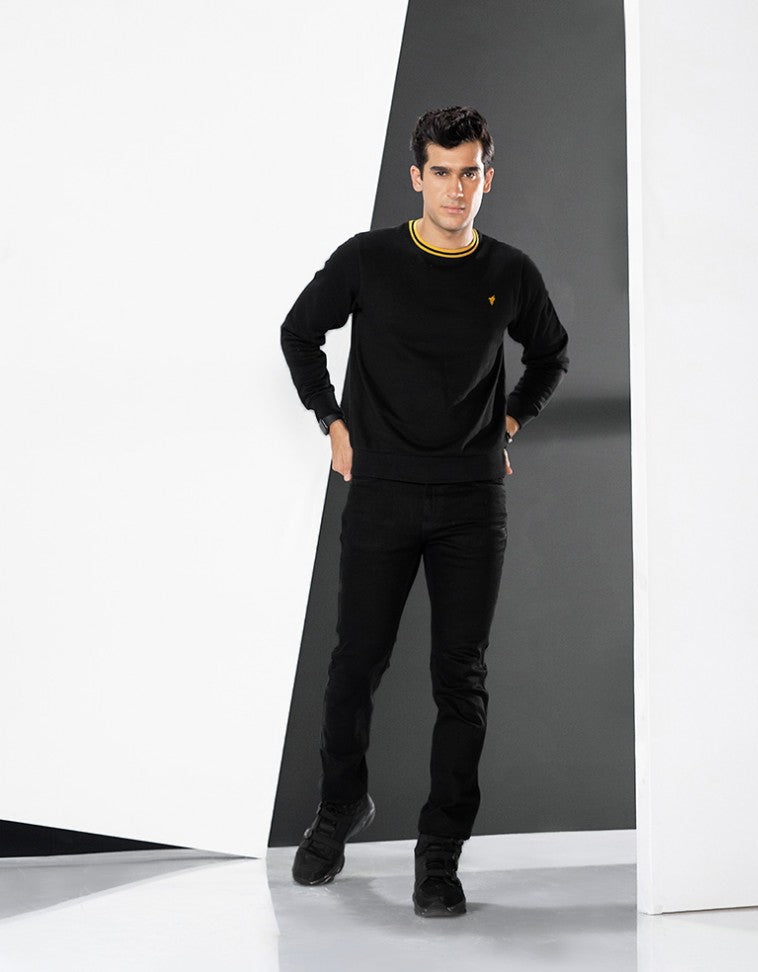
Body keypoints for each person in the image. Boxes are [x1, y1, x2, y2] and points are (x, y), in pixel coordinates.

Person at [279, 105, 569, 917]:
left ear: (487, 177)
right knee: (354, 665)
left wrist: (511, 419)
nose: (455, 189)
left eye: (469, 173)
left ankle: (439, 853)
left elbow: (550, 354)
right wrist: (331, 420)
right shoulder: (368, 259)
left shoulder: (510, 271)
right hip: (382, 491)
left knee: (460, 677)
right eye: (441, 173)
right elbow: (300, 332)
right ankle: (340, 807)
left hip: (473, 500)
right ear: (417, 177)